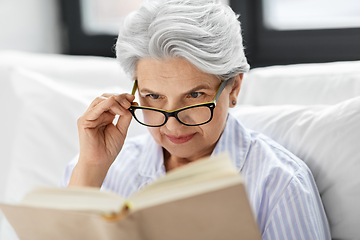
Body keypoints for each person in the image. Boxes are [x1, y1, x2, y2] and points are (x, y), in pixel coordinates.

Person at [61, 0, 331, 239]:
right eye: (153, 96)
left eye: (194, 95)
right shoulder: (97, 171)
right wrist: (92, 167)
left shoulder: (279, 183)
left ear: (234, 88)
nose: (172, 125)